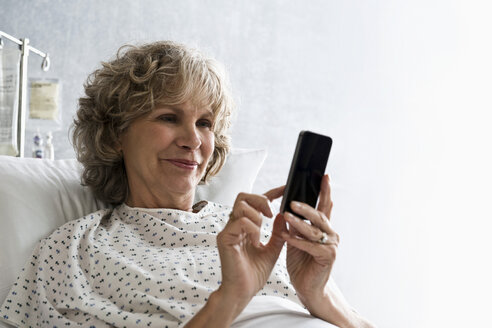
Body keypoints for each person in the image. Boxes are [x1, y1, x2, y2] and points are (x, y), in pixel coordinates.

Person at [0, 41, 374, 328]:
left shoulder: (259, 235)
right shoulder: (74, 251)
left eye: (205, 123)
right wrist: (229, 298)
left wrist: (318, 294)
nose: (193, 140)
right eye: (168, 117)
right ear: (115, 135)